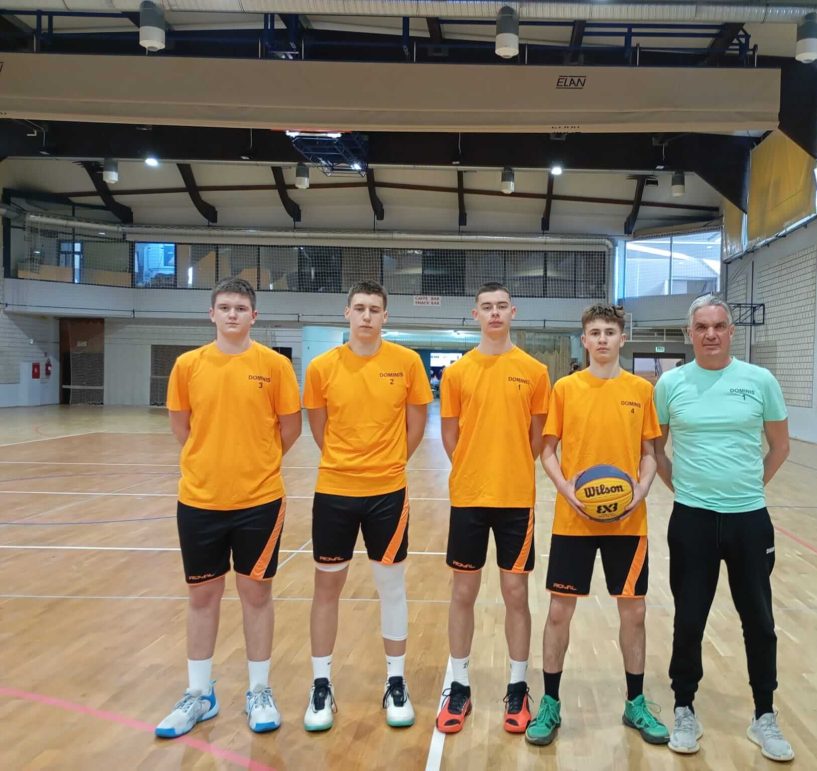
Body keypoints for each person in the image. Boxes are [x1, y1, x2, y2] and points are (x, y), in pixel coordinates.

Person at [156, 277, 301, 738]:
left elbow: (290, 427)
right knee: (202, 596)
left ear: (254, 316)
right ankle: (199, 693)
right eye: (225, 307)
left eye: (241, 308)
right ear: (212, 314)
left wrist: (256, 463)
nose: (233, 314)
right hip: (199, 499)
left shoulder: (275, 366)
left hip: (259, 500)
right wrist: (210, 462)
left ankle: (259, 690)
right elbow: (181, 426)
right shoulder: (188, 365)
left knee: (256, 595)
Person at [653, 294, 793, 762]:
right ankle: (684, 708)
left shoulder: (760, 381)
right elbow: (656, 451)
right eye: (701, 327)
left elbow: (780, 446)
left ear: (732, 331)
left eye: (718, 326)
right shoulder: (670, 384)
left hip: (749, 520)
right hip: (691, 519)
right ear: (689, 334)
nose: (710, 334)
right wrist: (684, 490)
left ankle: (764, 714)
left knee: (760, 621)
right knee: (689, 618)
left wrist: (749, 488)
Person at [525, 303, 668, 747]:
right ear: (584, 340)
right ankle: (550, 703)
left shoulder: (640, 390)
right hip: (574, 520)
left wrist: (640, 492)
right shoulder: (565, 388)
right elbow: (547, 450)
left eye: (610, 332)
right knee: (558, 612)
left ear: (622, 339)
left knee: (634, 612)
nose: (603, 339)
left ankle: (635, 702)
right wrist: (567, 490)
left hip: (628, 521)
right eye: (595, 332)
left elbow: (649, 453)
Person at [301, 280, 433, 731]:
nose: (366, 316)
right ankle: (321, 685)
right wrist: (345, 462)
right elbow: (318, 426)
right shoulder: (321, 367)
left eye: (374, 309)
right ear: (347, 312)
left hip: (387, 494)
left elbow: (416, 423)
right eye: (359, 308)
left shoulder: (407, 363)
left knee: (391, 587)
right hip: (334, 492)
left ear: (385, 316)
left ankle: (396, 681)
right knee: (326, 588)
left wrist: (390, 463)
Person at [435, 282, 550, 735]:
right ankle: (459, 685)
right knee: (462, 593)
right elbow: (450, 435)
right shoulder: (458, 373)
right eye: (487, 307)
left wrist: (509, 466)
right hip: (468, 498)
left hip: (516, 499)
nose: (495, 313)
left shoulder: (535, 371)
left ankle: (518, 687)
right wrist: (473, 468)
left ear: (513, 312)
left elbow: (537, 437)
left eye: (502, 306)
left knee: (516, 594)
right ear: (475, 315)